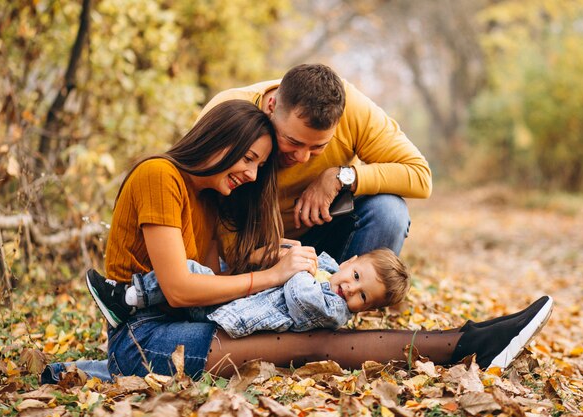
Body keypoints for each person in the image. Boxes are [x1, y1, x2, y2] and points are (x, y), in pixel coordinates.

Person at [42, 94, 553, 385]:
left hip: (177, 330)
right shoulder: (160, 176)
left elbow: (217, 272)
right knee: (313, 344)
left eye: (258, 165)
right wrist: (270, 275)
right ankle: (466, 346)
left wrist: (286, 256)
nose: (250, 173)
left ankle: (472, 338)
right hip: (147, 340)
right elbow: (178, 290)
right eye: (247, 159)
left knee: (307, 331)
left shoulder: (207, 199)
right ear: (219, 142)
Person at [197, 63, 433, 263]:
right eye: (292, 141)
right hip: (242, 249)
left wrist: (341, 177)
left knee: (389, 211)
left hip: (318, 241)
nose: (302, 158)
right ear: (272, 106)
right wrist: (259, 255)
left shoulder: (352, 109)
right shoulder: (228, 113)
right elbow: (197, 197)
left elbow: (420, 176)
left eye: (318, 146)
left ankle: (339, 305)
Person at [86, 249, 410, 336]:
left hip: (232, 316)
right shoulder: (326, 267)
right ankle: (131, 298)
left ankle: (127, 300)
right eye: (355, 275)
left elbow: (301, 296)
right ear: (350, 262)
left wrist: (297, 267)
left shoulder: (334, 310)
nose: (350, 288)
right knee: (192, 270)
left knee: (192, 274)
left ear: (363, 310)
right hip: (234, 298)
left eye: (362, 296)